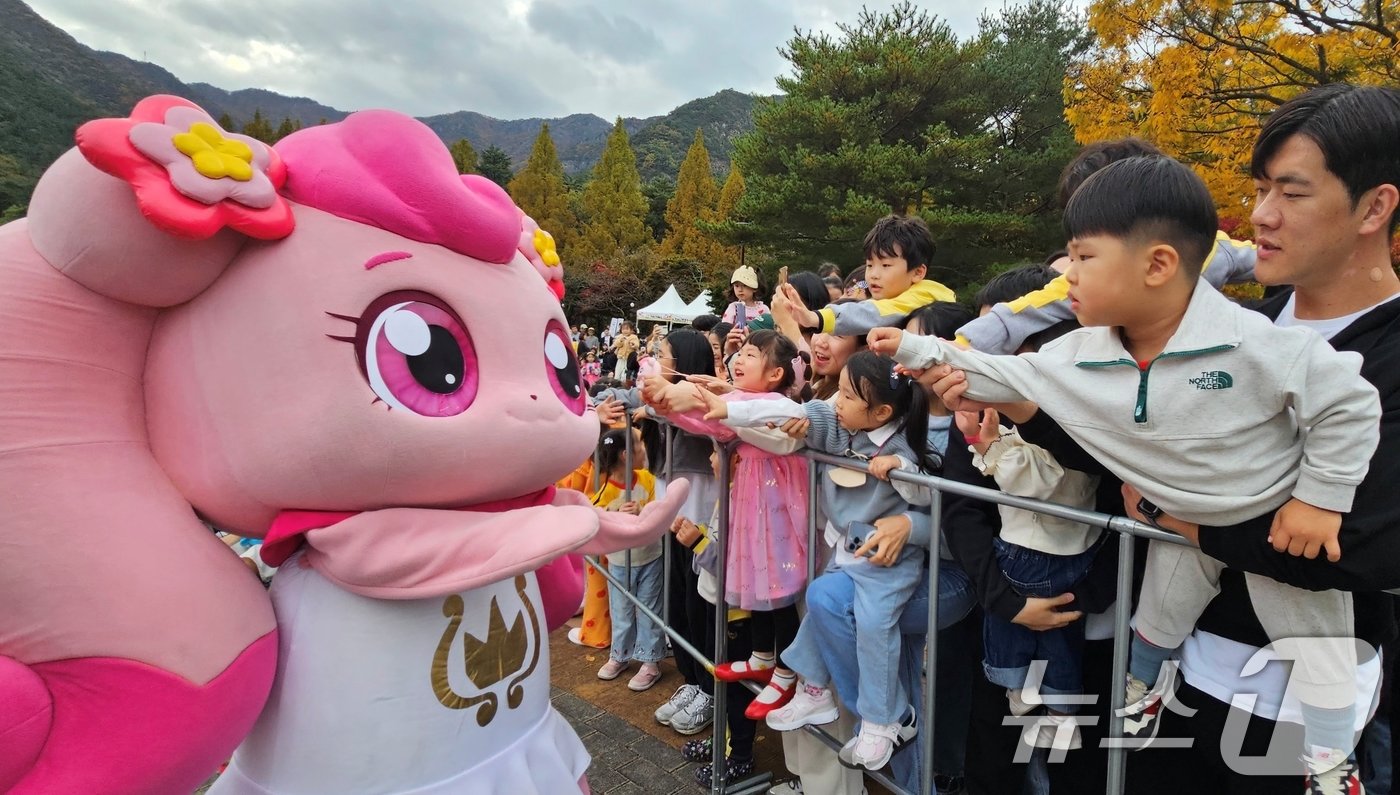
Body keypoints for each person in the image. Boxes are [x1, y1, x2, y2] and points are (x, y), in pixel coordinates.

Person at [873, 152, 1385, 791]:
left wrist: (1319, 498)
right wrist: (919, 350)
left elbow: (1351, 403)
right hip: (1178, 523)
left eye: (1084, 258)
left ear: (1158, 264)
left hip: (1268, 514)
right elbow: (1010, 373)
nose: (1068, 276)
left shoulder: (1257, 342)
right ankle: (1143, 689)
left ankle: (1334, 760)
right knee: (1158, 618)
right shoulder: (1081, 349)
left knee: (1319, 645)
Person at [696, 351, 939, 770]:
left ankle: (885, 720)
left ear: (880, 411)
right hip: (847, 554)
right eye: (839, 391)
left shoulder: (904, 444)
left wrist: (900, 467)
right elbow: (786, 408)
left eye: (846, 396)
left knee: (874, 626)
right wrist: (731, 408)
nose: (835, 402)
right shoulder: (836, 422)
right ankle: (815, 691)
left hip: (887, 563)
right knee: (819, 606)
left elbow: (925, 494)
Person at [955, 137, 1258, 355]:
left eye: (1087, 252)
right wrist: (964, 344)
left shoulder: (1217, 257)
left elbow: (1270, 263)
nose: (1074, 270)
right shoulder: (1085, 339)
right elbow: (1024, 310)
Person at [644, 330, 810, 720]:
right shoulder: (740, 400)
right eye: (740, 352)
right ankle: (762, 655)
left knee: (781, 592)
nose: (738, 359)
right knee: (761, 585)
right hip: (754, 512)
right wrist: (668, 407)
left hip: (779, 513)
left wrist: (710, 403)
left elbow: (733, 417)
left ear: (774, 375)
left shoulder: (775, 404)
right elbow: (708, 422)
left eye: (750, 355)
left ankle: (785, 672)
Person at [786, 214, 956, 336]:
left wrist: (816, 318)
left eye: (886, 265)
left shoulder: (926, 295)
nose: (873, 275)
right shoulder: (894, 298)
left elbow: (874, 313)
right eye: (869, 265)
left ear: (918, 272)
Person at [590, 427, 667, 692]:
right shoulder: (605, 491)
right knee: (621, 609)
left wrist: (644, 510)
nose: (643, 448)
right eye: (638, 444)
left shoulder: (647, 479)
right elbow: (593, 517)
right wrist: (615, 514)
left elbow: (661, 508)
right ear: (626, 455)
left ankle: (650, 661)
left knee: (649, 609)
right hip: (619, 563)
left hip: (651, 557)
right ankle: (620, 655)